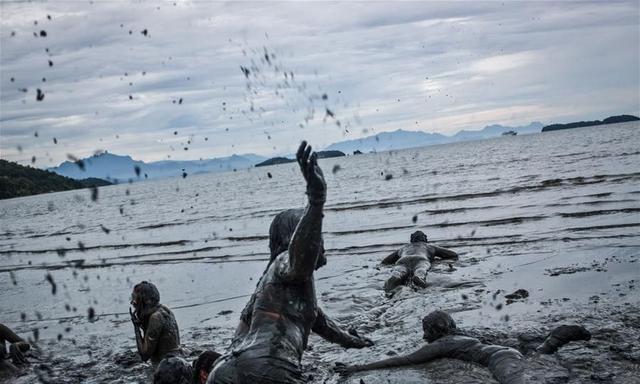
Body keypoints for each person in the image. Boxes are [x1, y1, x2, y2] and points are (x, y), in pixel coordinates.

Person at [207, 141, 373, 384]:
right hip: (267, 368)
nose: (318, 238)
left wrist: (356, 342)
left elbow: (322, 323)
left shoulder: (277, 290)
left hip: (224, 371)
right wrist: (316, 202)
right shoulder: (287, 263)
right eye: (312, 232)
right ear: (294, 239)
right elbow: (299, 261)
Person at [335, 310, 591, 384]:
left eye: (426, 329)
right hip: (503, 351)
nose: (424, 335)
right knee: (532, 359)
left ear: (434, 331)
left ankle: (553, 341)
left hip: (500, 359)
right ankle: (549, 344)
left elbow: (403, 360)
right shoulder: (460, 337)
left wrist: (357, 367)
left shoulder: (442, 344)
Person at [381, 230, 458, 293]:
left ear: (411, 240)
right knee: (421, 269)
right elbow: (453, 255)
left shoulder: (404, 248)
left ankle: (396, 276)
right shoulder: (429, 246)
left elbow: (385, 262)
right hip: (421, 259)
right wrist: (438, 260)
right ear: (425, 240)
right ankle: (418, 276)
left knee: (400, 270)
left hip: (403, 260)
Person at [129, 281, 181, 367]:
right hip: (175, 360)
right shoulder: (166, 311)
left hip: (165, 367)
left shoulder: (155, 318)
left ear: (144, 301)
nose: (133, 304)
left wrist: (136, 328)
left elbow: (145, 355)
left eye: (135, 301)